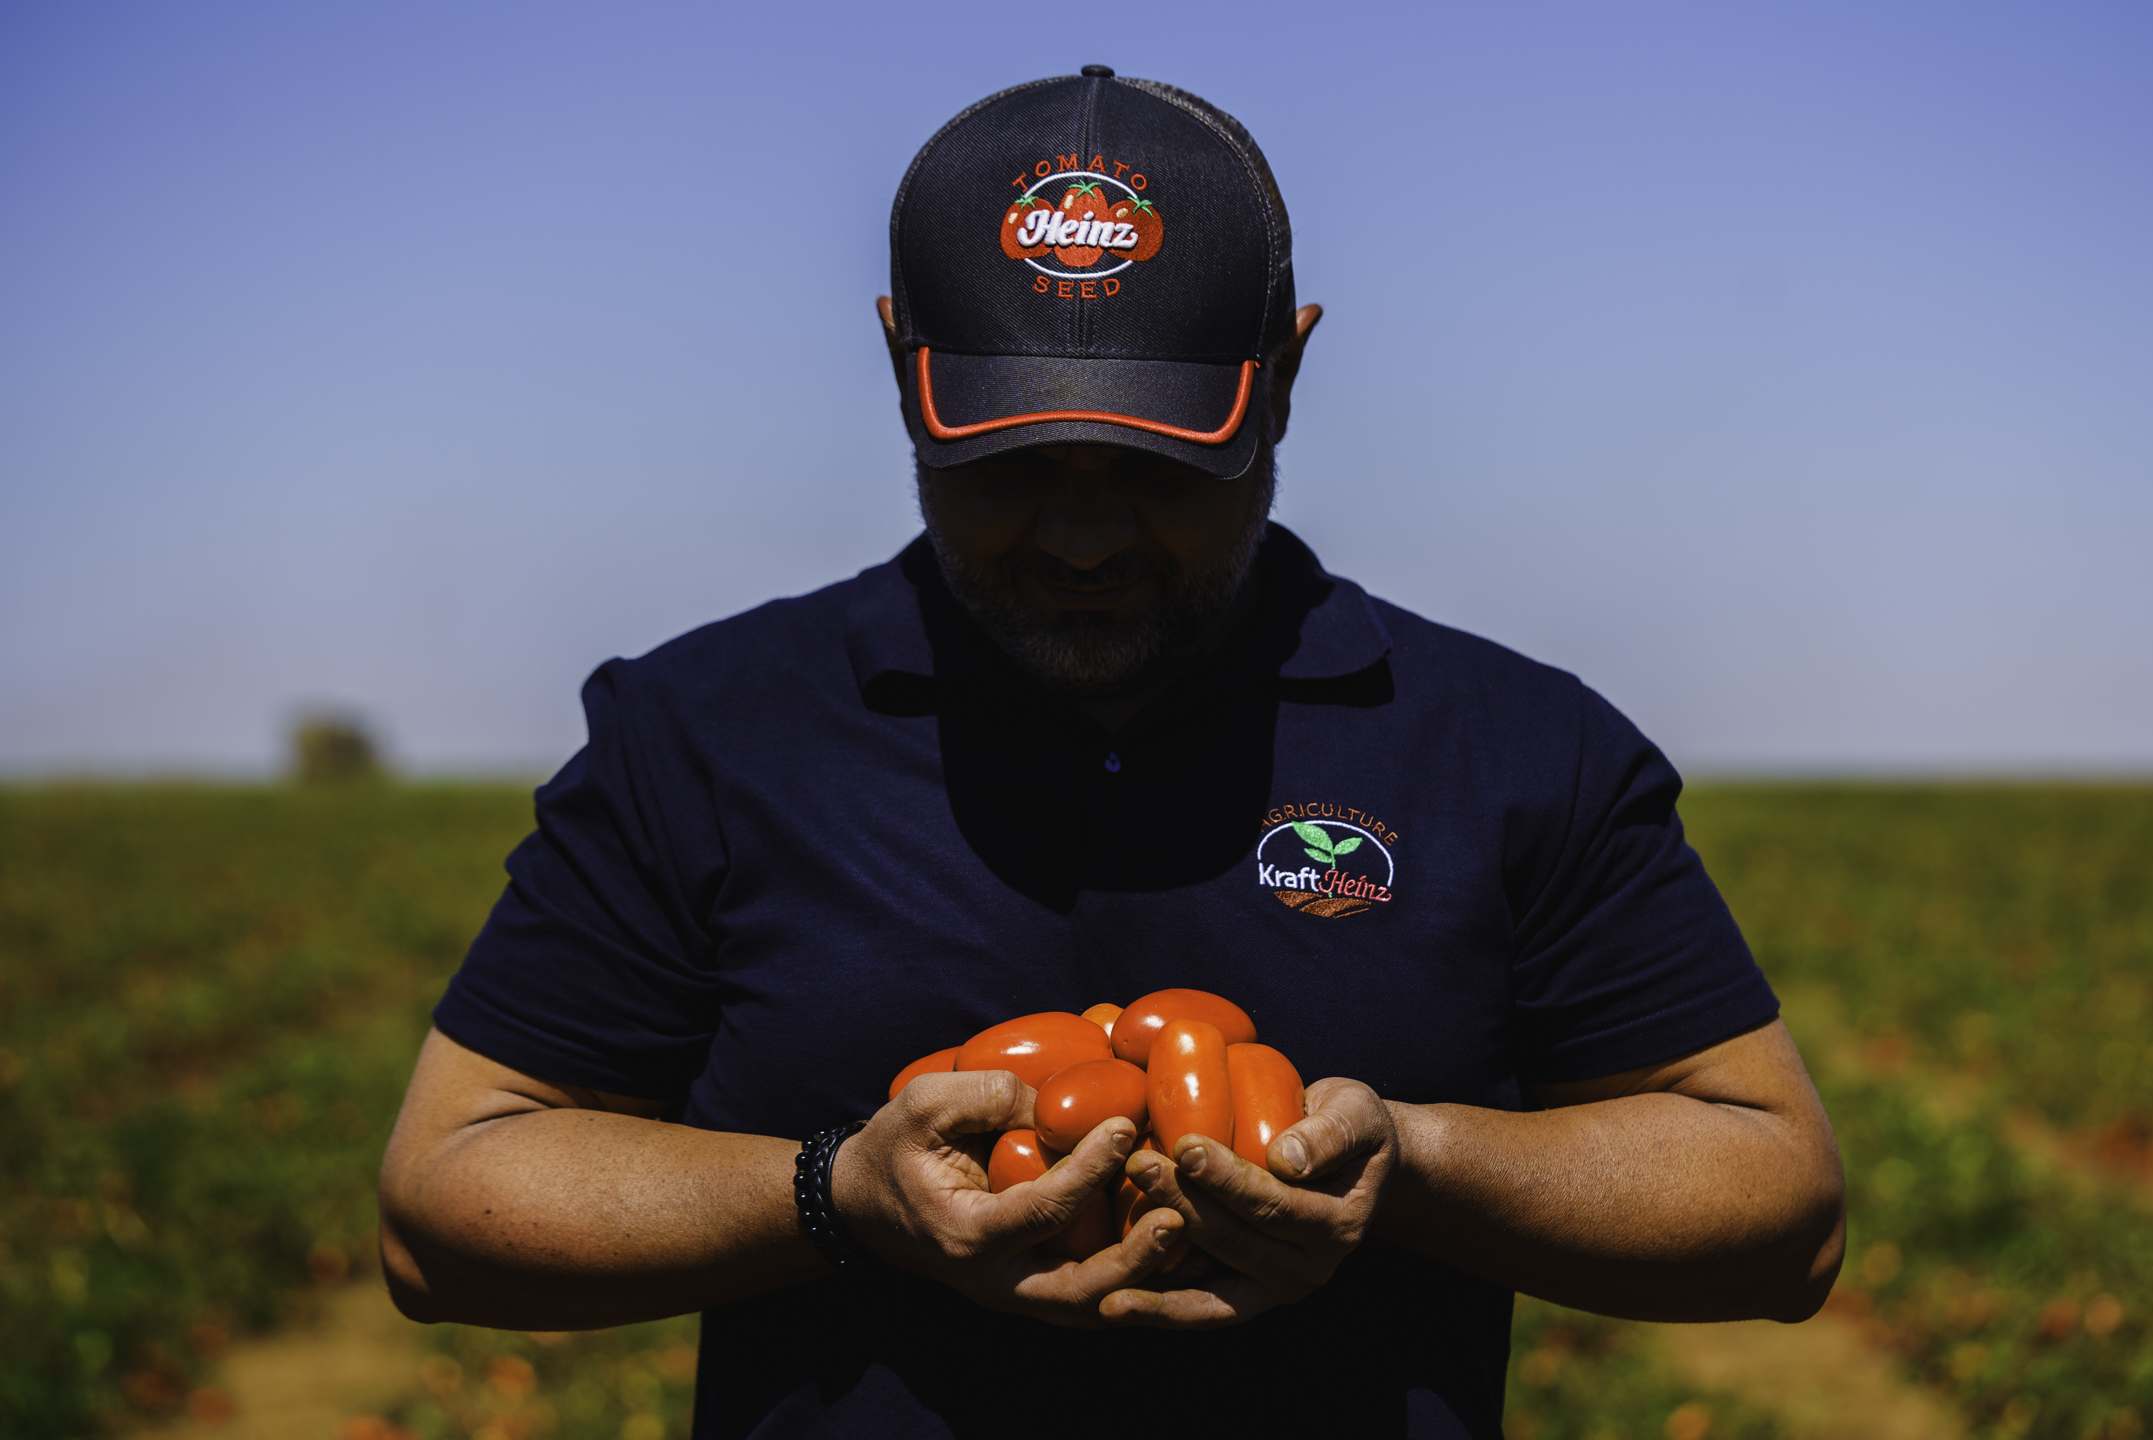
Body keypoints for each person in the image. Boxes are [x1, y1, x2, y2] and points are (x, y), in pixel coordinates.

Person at [376, 66, 1846, 1438]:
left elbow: (1782, 1208)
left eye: (1154, 467)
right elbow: (444, 1209)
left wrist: (1419, 1164)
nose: (1081, 537)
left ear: (1283, 375)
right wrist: (834, 1195)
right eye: (1010, 462)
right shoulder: (701, 735)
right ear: (901, 367)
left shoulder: (1519, 748)